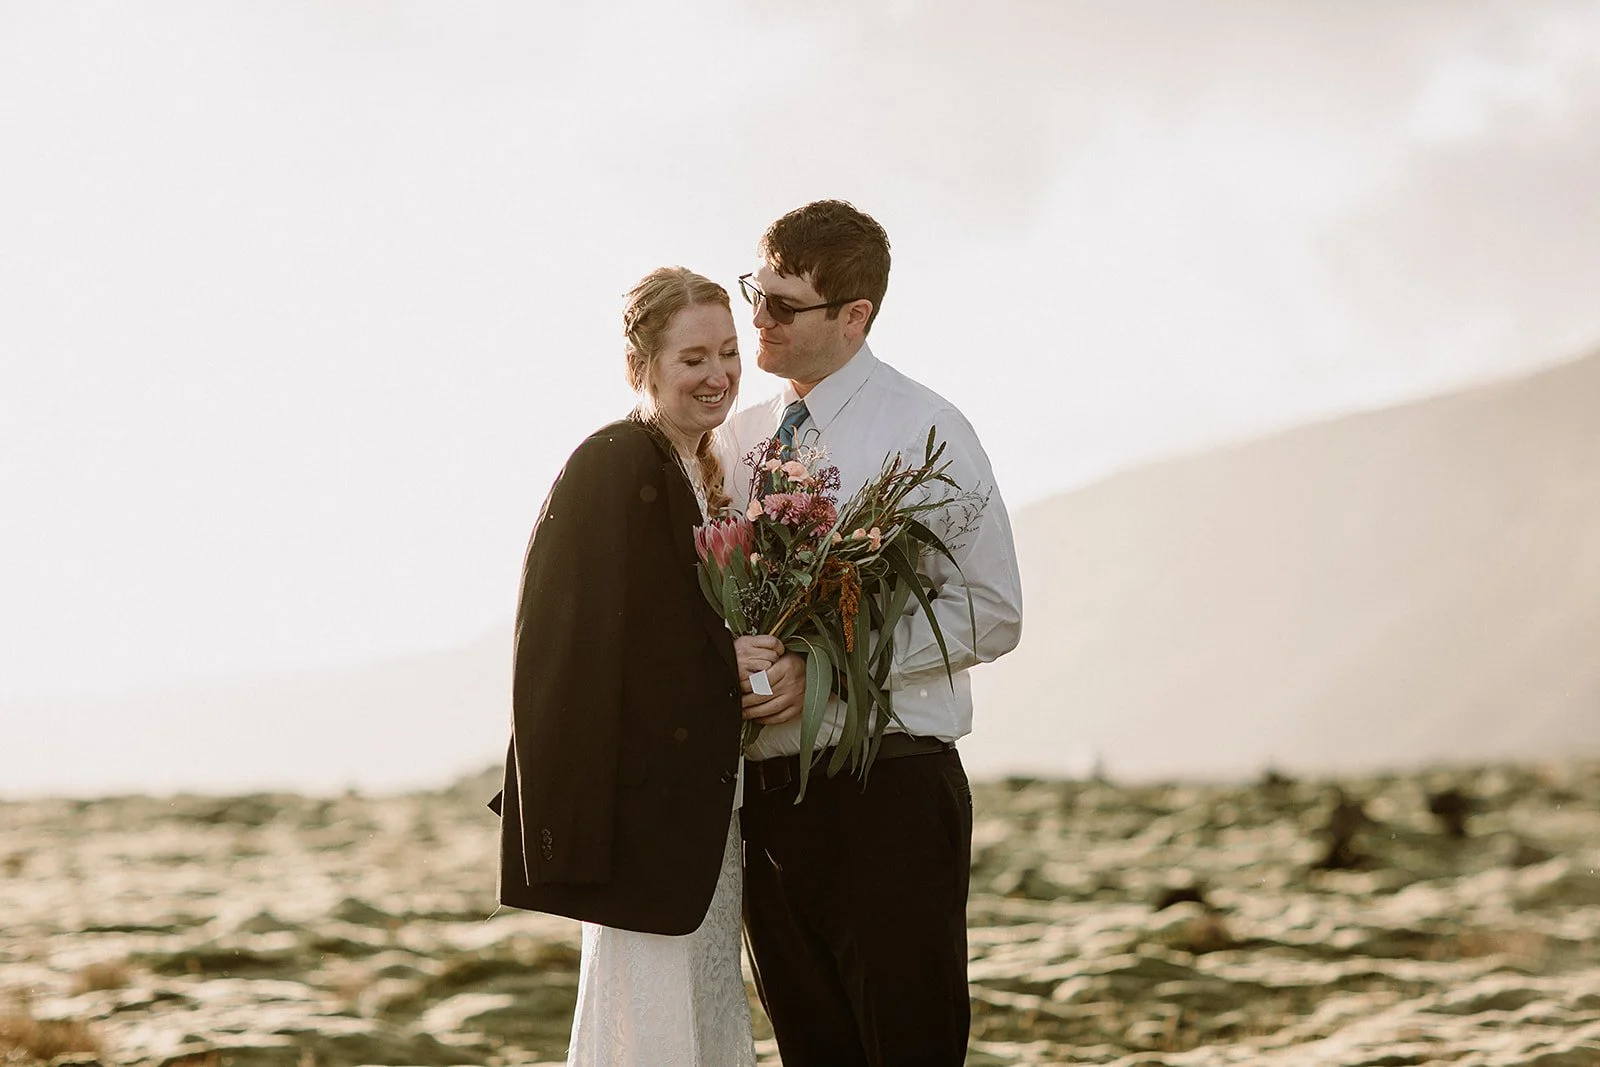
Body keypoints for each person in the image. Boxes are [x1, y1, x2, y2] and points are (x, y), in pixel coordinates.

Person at [719, 201, 1024, 1066]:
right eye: (756, 293)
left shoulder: (926, 429)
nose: (759, 319)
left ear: (854, 316)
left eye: (786, 305)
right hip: (765, 804)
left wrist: (830, 663)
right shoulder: (736, 439)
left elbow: (993, 608)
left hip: (887, 790)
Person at [489, 266, 770, 1066]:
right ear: (639, 366)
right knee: (651, 1029)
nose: (718, 374)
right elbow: (566, 643)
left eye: (728, 352)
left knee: (704, 1018)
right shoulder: (612, 462)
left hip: (705, 815)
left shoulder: (706, 470)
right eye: (693, 358)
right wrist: (722, 664)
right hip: (644, 823)